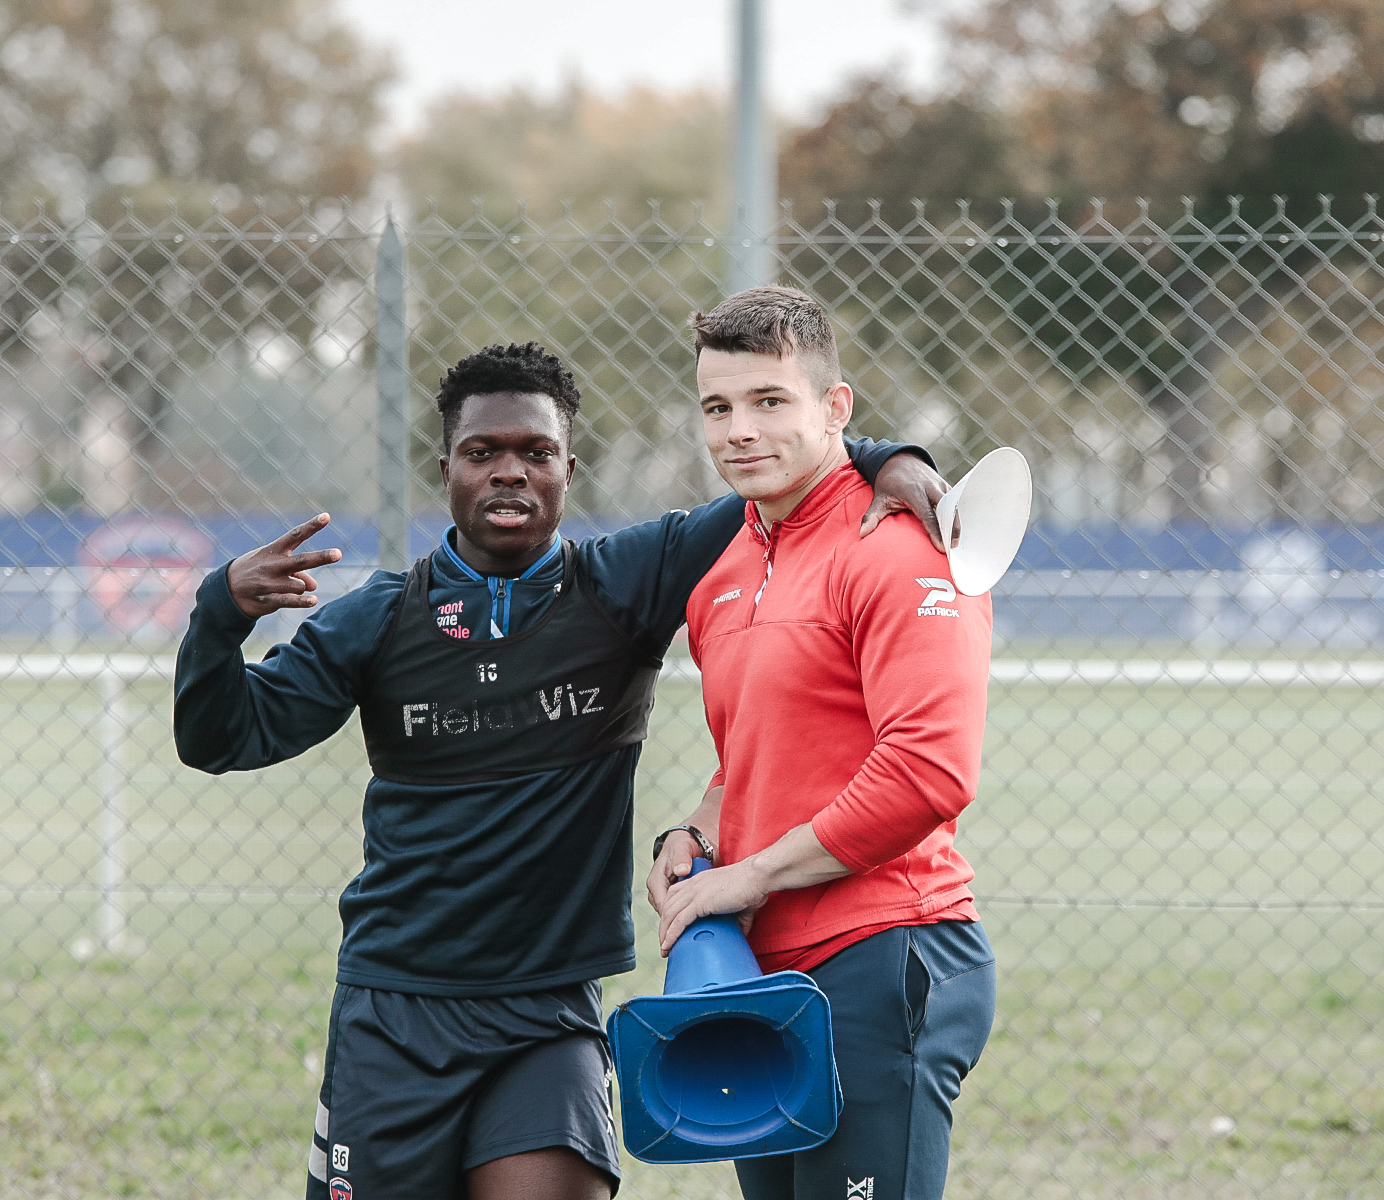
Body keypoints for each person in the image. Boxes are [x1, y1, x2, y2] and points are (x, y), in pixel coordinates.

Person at [174, 341, 948, 1200]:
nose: (510, 473)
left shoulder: (621, 585)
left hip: (547, 1017)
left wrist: (890, 457)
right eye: (483, 453)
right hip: (395, 1010)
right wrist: (218, 616)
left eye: (535, 454)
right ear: (447, 470)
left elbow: (788, 476)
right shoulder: (377, 620)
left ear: (567, 470)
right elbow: (222, 739)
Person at [648, 288, 997, 1200]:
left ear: (835, 408)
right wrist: (694, 837)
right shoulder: (722, 570)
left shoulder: (905, 545)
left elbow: (929, 770)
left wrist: (752, 875)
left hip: (883, 953)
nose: (738, 431)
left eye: (771, 401)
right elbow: (755, 754)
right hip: (759, 975)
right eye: (717, 408)